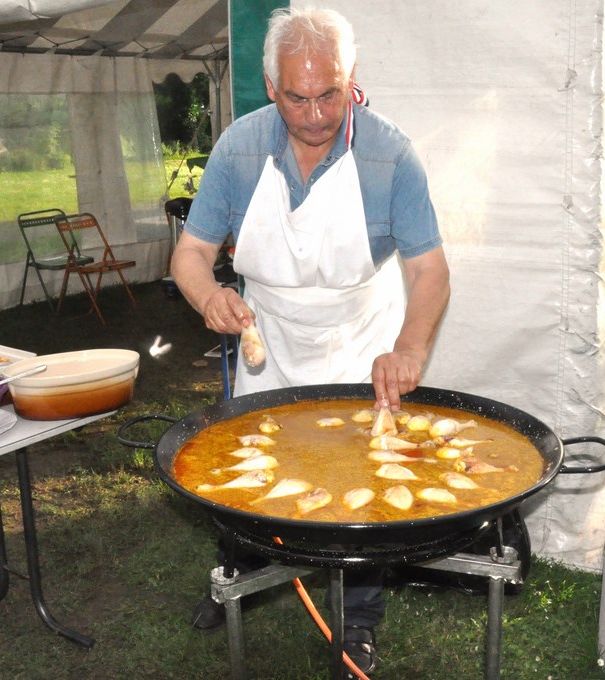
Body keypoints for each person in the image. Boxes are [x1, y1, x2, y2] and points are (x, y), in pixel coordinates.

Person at [171, 7, 450, 675]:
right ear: (272, 87)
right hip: (265, 335)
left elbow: (430, 271)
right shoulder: (238, 149)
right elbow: (190, 253)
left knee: (360, 486)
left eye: (330, 93)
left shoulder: (390, 154)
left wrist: (409, 348)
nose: (317, 113)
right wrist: (211, 296)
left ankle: (356, 622)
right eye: (297, 97)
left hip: (360, 337)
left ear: (351, 79)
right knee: (246, 475)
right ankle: (236, 573)